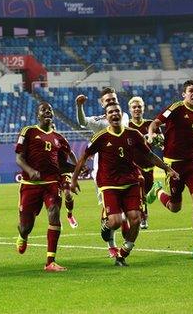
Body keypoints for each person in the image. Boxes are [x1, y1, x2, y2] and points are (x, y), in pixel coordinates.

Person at [71, 103, 179, 266]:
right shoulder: (100, 137)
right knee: (115, 221)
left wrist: (168, 169)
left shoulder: (133, 134)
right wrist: (73, 179)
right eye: (110, 112)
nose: (114, 114)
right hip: (109, 184)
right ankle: (106, 225)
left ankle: (124, 252)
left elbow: (149, 155)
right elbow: (83, 157)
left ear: (122, 115)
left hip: (130, 182)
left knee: (135, 219)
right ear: (106, 117)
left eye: (117, 111)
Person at [146, 79, 193, 258]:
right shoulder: (176, 108)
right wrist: (151, 135)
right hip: (173, 164)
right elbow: (154, 123)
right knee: (174, 207)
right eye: (191, 91)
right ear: (184, 94)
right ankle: (158, 191)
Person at [14, 102, 75, 272]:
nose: (47, 111)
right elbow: (18, 158)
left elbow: (62, 164)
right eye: (44, 110)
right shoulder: (28, 132)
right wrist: (30, 170)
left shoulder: (59, 138)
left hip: (51, 183)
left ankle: (50, 262)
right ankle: (22, 236)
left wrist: (77, 169)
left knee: (54, 213)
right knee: (26, 227)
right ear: (38, 115)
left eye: (50, 110)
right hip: (30, 185)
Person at [76, 87, 130, 257]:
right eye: (108, 100)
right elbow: (83, 122)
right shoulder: (100, 121)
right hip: (104, 173)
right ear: (102, 103)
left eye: (113, 99)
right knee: (111, 209)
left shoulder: (124, 116)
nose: (111, 101)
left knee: (125, 209)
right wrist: (79, 106)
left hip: (125, 170)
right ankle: (111, 243)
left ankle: (123, 232)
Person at [127, 96, 164, 229]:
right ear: (130, 110)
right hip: (133, 165)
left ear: (143, 109)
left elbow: (161, 141)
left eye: (139, 107)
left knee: (146, 195)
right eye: (134, 107)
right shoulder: (127, 126)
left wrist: (155, 138)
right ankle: (143, 218)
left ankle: (155, 190)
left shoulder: (150, 124)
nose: (137, 109)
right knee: (139, 192)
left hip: (149, 165)